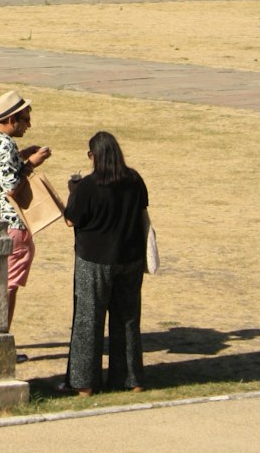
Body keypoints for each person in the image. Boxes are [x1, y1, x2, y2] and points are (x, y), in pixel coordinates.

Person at [63, 131, 149, 396]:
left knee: (89, 321)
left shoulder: (88, 186)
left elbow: (71, 219)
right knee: (127, 319)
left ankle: (84, 383)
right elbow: (143, 209)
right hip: (130, 257)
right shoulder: (134, 179)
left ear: (93, 156)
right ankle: (130, 379)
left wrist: (72, 192)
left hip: (95, 259)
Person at [0, 90, 52, 346]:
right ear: (11, 120)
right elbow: (10, 187)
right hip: (13, 223)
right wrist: (30, 164)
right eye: (25, 119)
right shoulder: (6, 144)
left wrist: (21, 158)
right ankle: (1, 341)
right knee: (9, 286)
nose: (29, 124)